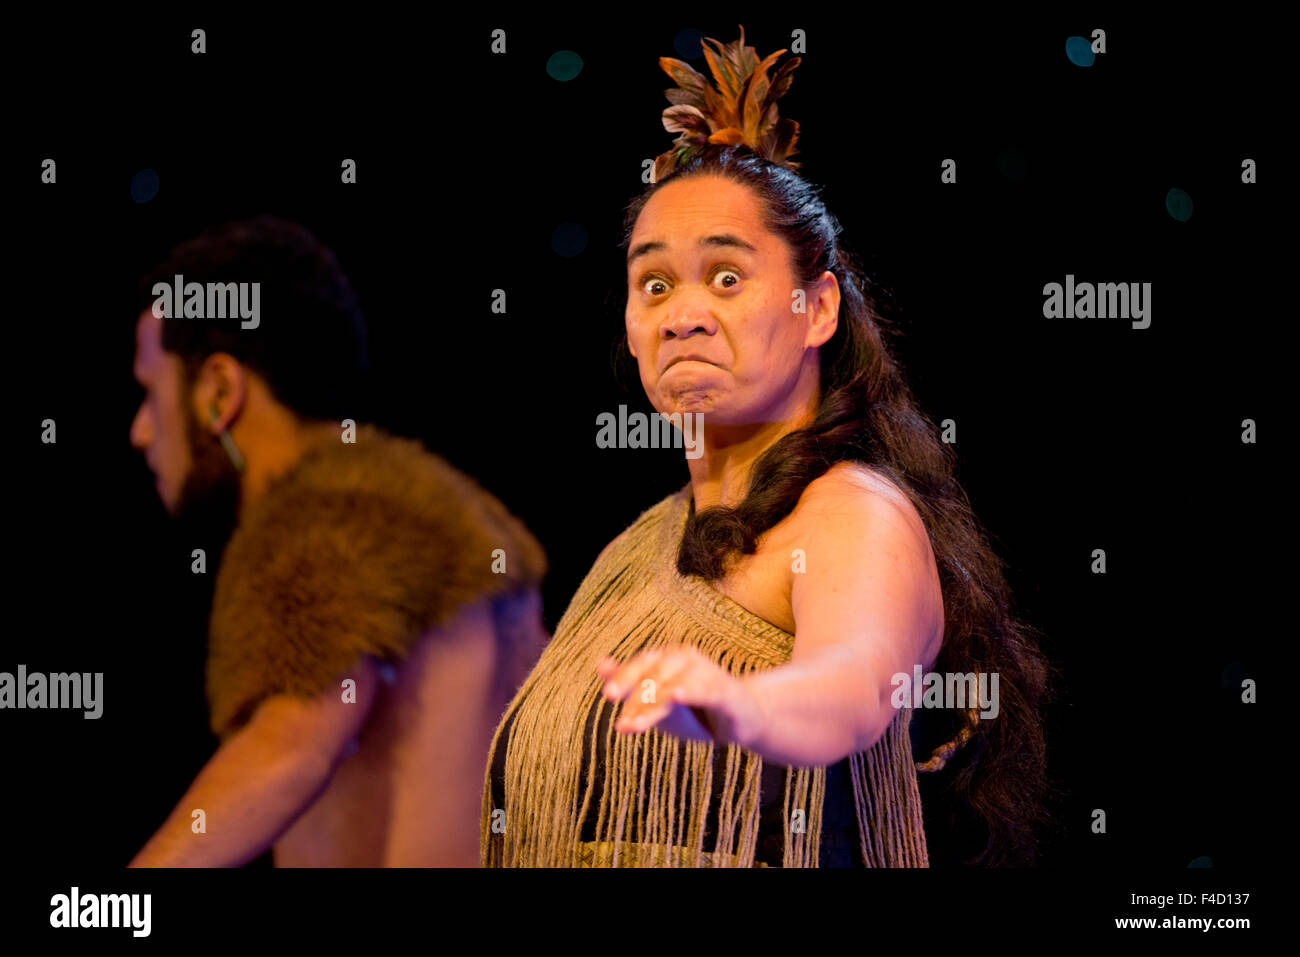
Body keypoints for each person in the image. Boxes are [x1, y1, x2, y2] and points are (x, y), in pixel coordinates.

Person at [481, 26, 1050, 867]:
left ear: (817, 309)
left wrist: (738, 706)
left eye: (727, 276)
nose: (683, 312)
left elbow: (855, 685)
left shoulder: (854, 514)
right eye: (655, 283)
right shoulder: (638, 545)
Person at [127, 216, 548, 866]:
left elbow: (292, 743)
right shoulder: (460, 516)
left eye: (150, 392)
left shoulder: (313, 514)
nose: (141, 431)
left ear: (217, 390)